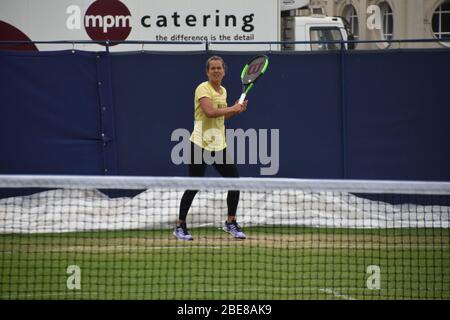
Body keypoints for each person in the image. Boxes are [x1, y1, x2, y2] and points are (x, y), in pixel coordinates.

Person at [173, 55, 248, 241]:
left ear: (224, 71)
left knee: (235, 182)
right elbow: (209, 112)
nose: (216, 71)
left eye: (218, 68)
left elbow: (220, 117)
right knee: (194, 185)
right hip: (199, 144)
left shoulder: (223, 91)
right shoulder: (202, 89)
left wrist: (236, 111)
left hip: (218, 145)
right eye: (212, 68)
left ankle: (231, 222)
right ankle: (180, 226)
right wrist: (232, 108)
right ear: (207, 72)